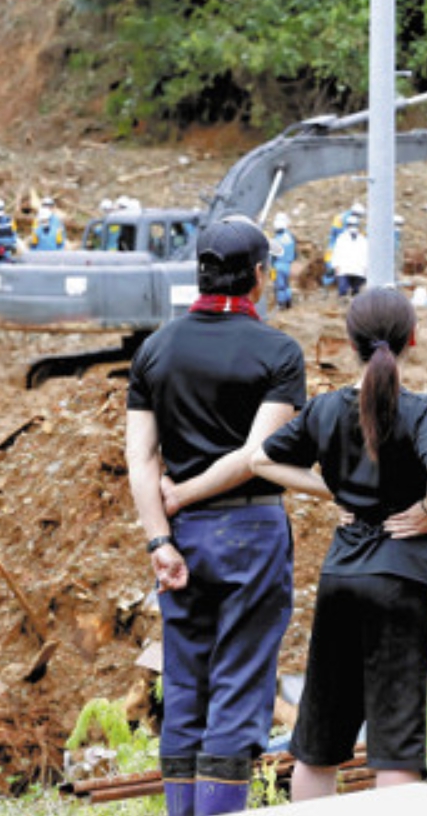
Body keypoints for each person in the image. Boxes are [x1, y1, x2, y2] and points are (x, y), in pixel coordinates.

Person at [251, 287, 427, 800]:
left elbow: (260, 460)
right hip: (407, 587)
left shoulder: (326, 409)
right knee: (396, 751)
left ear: (350, 342)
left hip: (341, 579)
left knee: (318, 746)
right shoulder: (422, 411)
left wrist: (333, 490)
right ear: (412, 339)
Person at [125, 216, 307, 816]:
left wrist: (160, 534)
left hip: (180, 542)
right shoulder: (278, 352)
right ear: (258, 274)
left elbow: (140, 456)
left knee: (185, 685)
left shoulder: (156, 348)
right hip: (249, 532)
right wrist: (185, 496)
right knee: (239, 685)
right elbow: (257, 456)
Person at [331, 214, 368, 298]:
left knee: (356, 291)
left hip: (358, 269)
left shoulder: (362, 239)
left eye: (354, 225)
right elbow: (337, 252)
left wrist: (366, 267)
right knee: (343, 289)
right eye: (350, 225)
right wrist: (336, 266)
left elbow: (365, 254)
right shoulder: (341, 239)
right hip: (344, 268)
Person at [272, 212, 297, 310]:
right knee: (287, 285)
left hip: (278, 265)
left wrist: (271, 266)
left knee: (280, 286)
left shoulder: (275, 240)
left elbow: (272, 256)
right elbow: (295, 252)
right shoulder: (290, 237)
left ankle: (282, 304)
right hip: (288, 265)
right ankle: (289, 303)